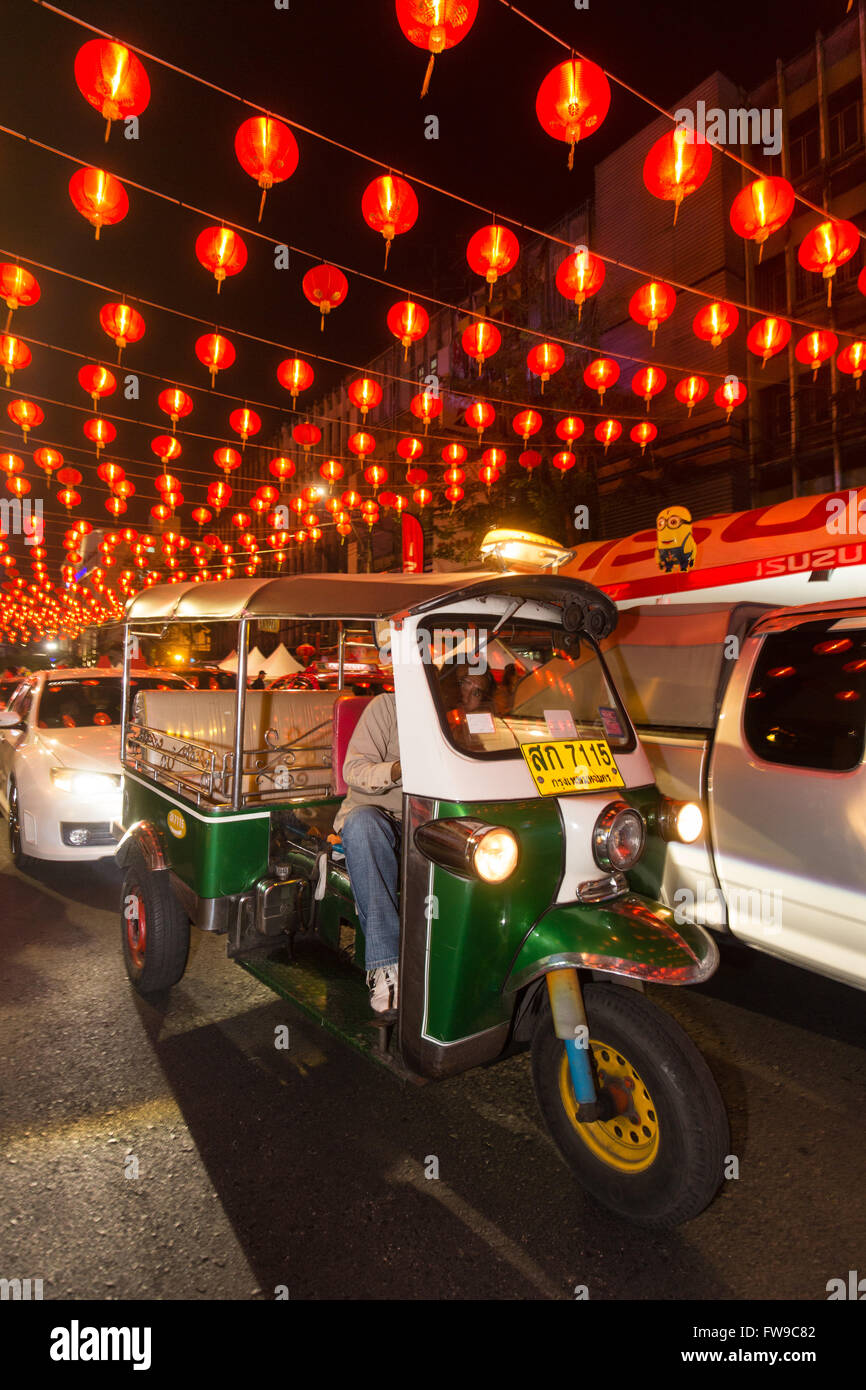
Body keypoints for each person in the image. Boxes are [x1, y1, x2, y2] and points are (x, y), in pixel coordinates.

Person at [333, 693, 401, 1015]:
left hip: (429, 821)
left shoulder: (459, 719)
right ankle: (387, 965)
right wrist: (398, 770)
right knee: (362, 824)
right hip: (380, 820)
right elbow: (354, 769)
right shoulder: (387, 707)